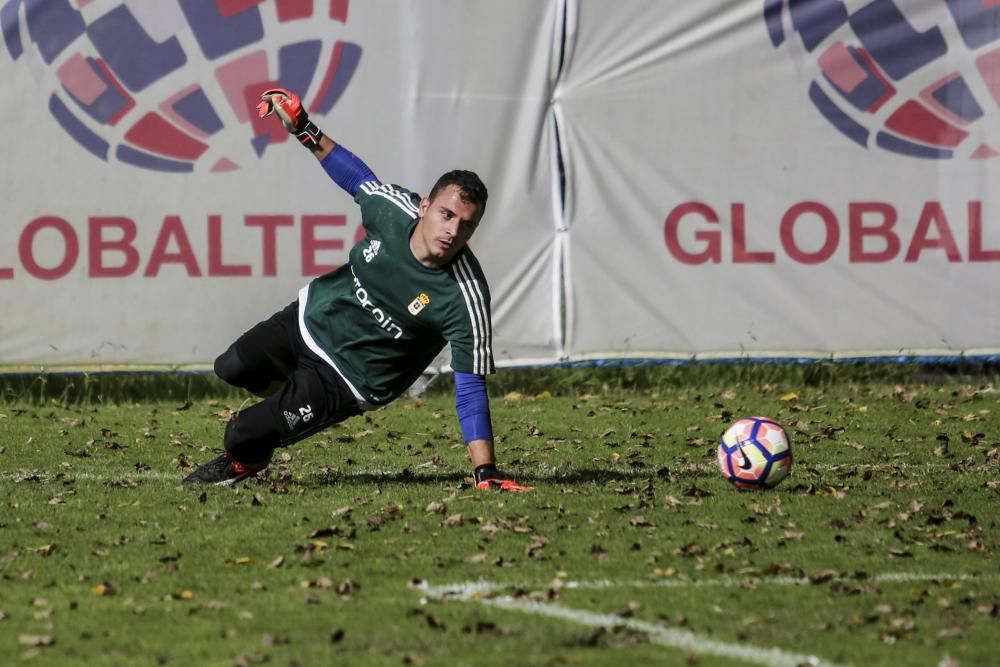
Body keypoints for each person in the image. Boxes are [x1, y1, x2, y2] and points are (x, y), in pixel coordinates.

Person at [182, 88, 529, 492]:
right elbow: (357, 179)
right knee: (232, 366)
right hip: (310, 321)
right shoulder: (392, 209)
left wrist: (485, 471)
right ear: (424, 206)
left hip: (347, 379)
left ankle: (247, 459)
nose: (453, 230)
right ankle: (290, 400)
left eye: (467, 224)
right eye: (446, 214)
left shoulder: (465, 295)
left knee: (242, 434)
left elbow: (470, 389)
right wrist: (304, 130)